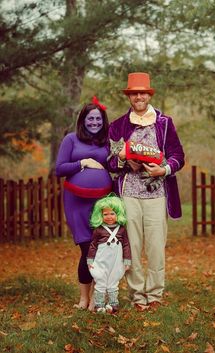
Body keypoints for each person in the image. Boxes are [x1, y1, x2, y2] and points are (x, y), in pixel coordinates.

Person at [108, 72, 185, 311]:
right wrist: (121, 160)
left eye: (142, 93)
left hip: (157, 194)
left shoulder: (164, 122)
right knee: (131, 245)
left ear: (149, 95)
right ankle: (137, 297)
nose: (138, 97)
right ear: (129, 97)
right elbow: (109, 162)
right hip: (129, 193)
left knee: (155, 247)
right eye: (134, 93)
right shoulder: (118, 125)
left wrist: (162, 170)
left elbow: (178, 156)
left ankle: (155, 295)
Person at [55, 96, 112, 311]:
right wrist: (82, 163)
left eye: (98, 119)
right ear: (83, 120)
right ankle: (83, 298)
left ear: (103, 120)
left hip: (102, 202)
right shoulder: (71, 139)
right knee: (87, 248)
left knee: (102, 248)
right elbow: (59, 169)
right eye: (91, 118)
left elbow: (114, 165)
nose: (95, 122)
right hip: (76, 203)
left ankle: (97, 297)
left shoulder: (107, 141)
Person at [87, 194, 131, 313]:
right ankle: (99, 305)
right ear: (100, 215)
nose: (109, 217)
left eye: (112, 213)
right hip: (101, 260)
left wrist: (127, 260)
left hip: (116, 261)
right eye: (105, 214)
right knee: (100, 280)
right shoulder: (99, 230)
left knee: (113, 281)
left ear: (118, 214)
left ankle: (113, 304)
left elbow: (126, 245)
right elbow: (93, 245)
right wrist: (90, 260)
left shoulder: (122, 229)